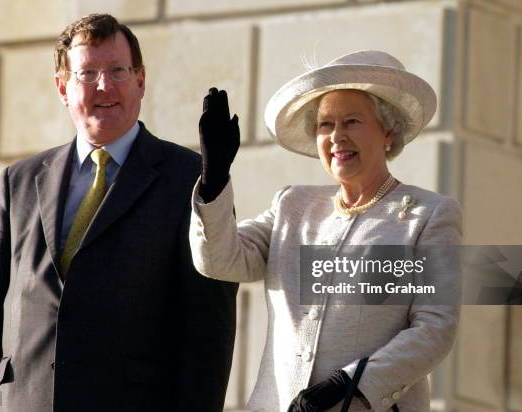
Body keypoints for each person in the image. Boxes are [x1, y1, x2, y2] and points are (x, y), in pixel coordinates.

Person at [0, 13, 237, 412]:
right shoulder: (18, 181)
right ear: (62, 87)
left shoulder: (190, 180)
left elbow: (208, 337)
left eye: (118, 71)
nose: (104, 85)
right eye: (87, 73)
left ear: (140, 80)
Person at [191, 50, 462, 411]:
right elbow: (221, 260)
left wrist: (350, 383)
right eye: (325, 125)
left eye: (351, 121)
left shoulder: (427, 216)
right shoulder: (293, 206)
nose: (336, 137)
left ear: (387, 131)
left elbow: (433, 329)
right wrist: (214, 178)